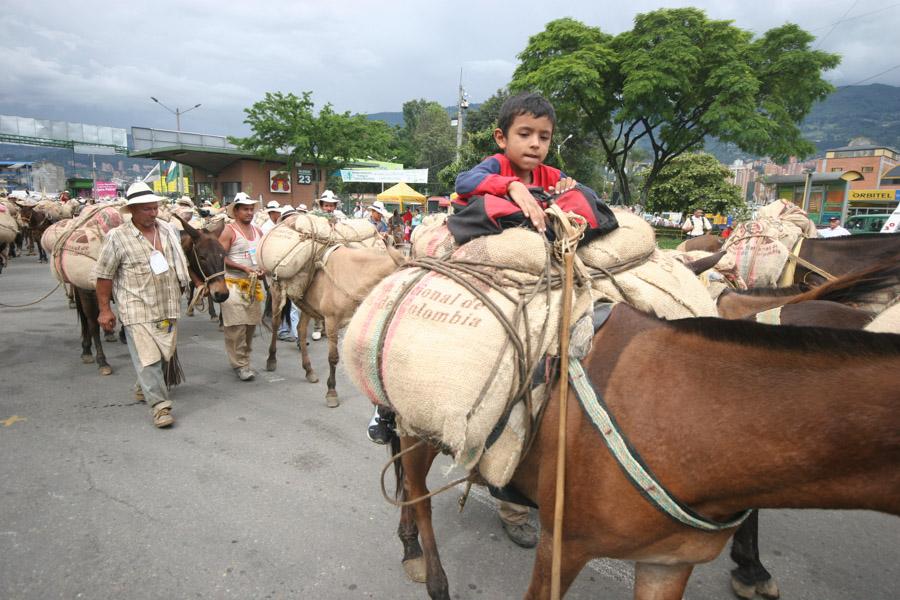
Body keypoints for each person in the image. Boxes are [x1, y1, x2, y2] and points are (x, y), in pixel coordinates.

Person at [95, 182, 190, 428]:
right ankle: (160, 407)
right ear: (133, 210)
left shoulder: (168, 230)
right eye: (147, 209)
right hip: (136, 307)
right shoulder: (117, 237)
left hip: (168, 305)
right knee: (148, 358)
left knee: (163, 353)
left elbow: (181, 261)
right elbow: (104, 276)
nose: (153, 213)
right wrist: (105, 309)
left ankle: (142, 386)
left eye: (155, 207)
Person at [218, 192, 265, 381]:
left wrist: (262, 269)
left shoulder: (258, 231)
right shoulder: (229, 231)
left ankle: (244, 358)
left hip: (253, 284)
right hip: (233, 283)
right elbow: (221, 256)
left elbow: (262, 255)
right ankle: (240, 365)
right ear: (236, 211)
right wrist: (242, 267)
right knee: (236, 326)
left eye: (251, 209)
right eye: (245, 209)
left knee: (250, 325)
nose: (249, 212)